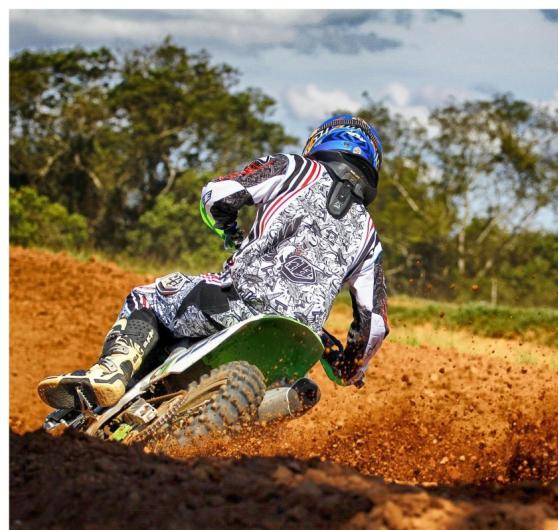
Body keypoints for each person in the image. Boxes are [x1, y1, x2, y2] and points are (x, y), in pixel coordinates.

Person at [37, 114, 390, 410]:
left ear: (321, 143)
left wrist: (228, 231)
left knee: (148, 297)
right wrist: (348, 369)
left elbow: (217, 194)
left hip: (236, 303)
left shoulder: (295, 168)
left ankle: (110, 374)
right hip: (301, 344)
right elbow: (374, 325)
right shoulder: (370, 237)